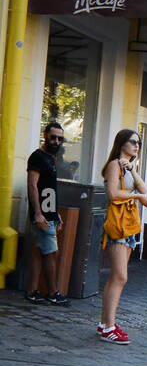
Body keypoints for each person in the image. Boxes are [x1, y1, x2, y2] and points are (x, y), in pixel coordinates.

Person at [98, 128, 147, 344]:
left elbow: (144, 188)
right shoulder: (113, 165)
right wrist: (137, 196)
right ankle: (108, 326)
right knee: (120, 276)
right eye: (132, 142)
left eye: (138, 142)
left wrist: (132, 170)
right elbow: (112, 194)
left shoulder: (128, 167)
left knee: (117, 278)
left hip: (128, 227)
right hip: (118, 227)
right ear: (121, 143)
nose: (136, 145)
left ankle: (106, 323)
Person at [25, 122, 70, 306]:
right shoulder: (38, 157)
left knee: (39, 252)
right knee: (51, 253)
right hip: (41, 216)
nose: (57, 141)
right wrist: (37, 213)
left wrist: (55, 212)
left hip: (48, 214)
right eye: (53, 137)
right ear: (45, 135)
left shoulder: (51, 158)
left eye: (60, 138)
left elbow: (49, 190)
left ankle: (32, 291)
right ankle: (53, 292)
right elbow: (32, 185)